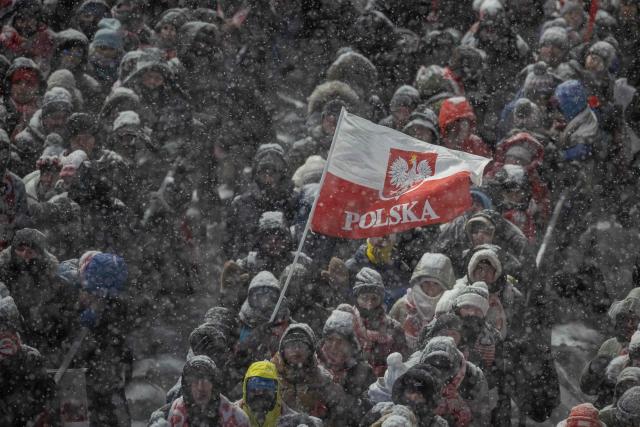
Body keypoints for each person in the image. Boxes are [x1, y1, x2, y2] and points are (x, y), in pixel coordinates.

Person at [272, 323, 349, 425]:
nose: (296, 350)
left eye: (302, 345)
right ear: (282, 349)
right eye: (291, 345)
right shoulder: (269, 376)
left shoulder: (323, 380)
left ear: (311, 350)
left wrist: (322, 422)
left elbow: (341, 413)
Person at [390, 253, 456, 350]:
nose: (430, 288)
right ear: (419, 283)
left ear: (443, 287)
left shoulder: (449, 308)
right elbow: (390, 333)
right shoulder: (402, 305)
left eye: (436, 284)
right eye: (426, 282)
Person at [350, 267, 407, 376]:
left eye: (374, 299)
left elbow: (401, 366)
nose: (369, 304)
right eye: (364, 298)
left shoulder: (394, 329)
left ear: (381, 299)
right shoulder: (346, 324)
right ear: (356, 298)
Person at [167, 355, 250, 427]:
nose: (200, 387)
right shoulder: (173, 413)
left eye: (206, 381)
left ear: (214, 385)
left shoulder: (237, 418)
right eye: (195, 381)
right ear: (188, 387)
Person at [237, 360, 295, 427]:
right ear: (246, 389)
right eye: (255, 390)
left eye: (266, 390)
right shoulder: (229, 416)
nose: (260, 394)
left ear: (277, 391)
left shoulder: (293, 421)